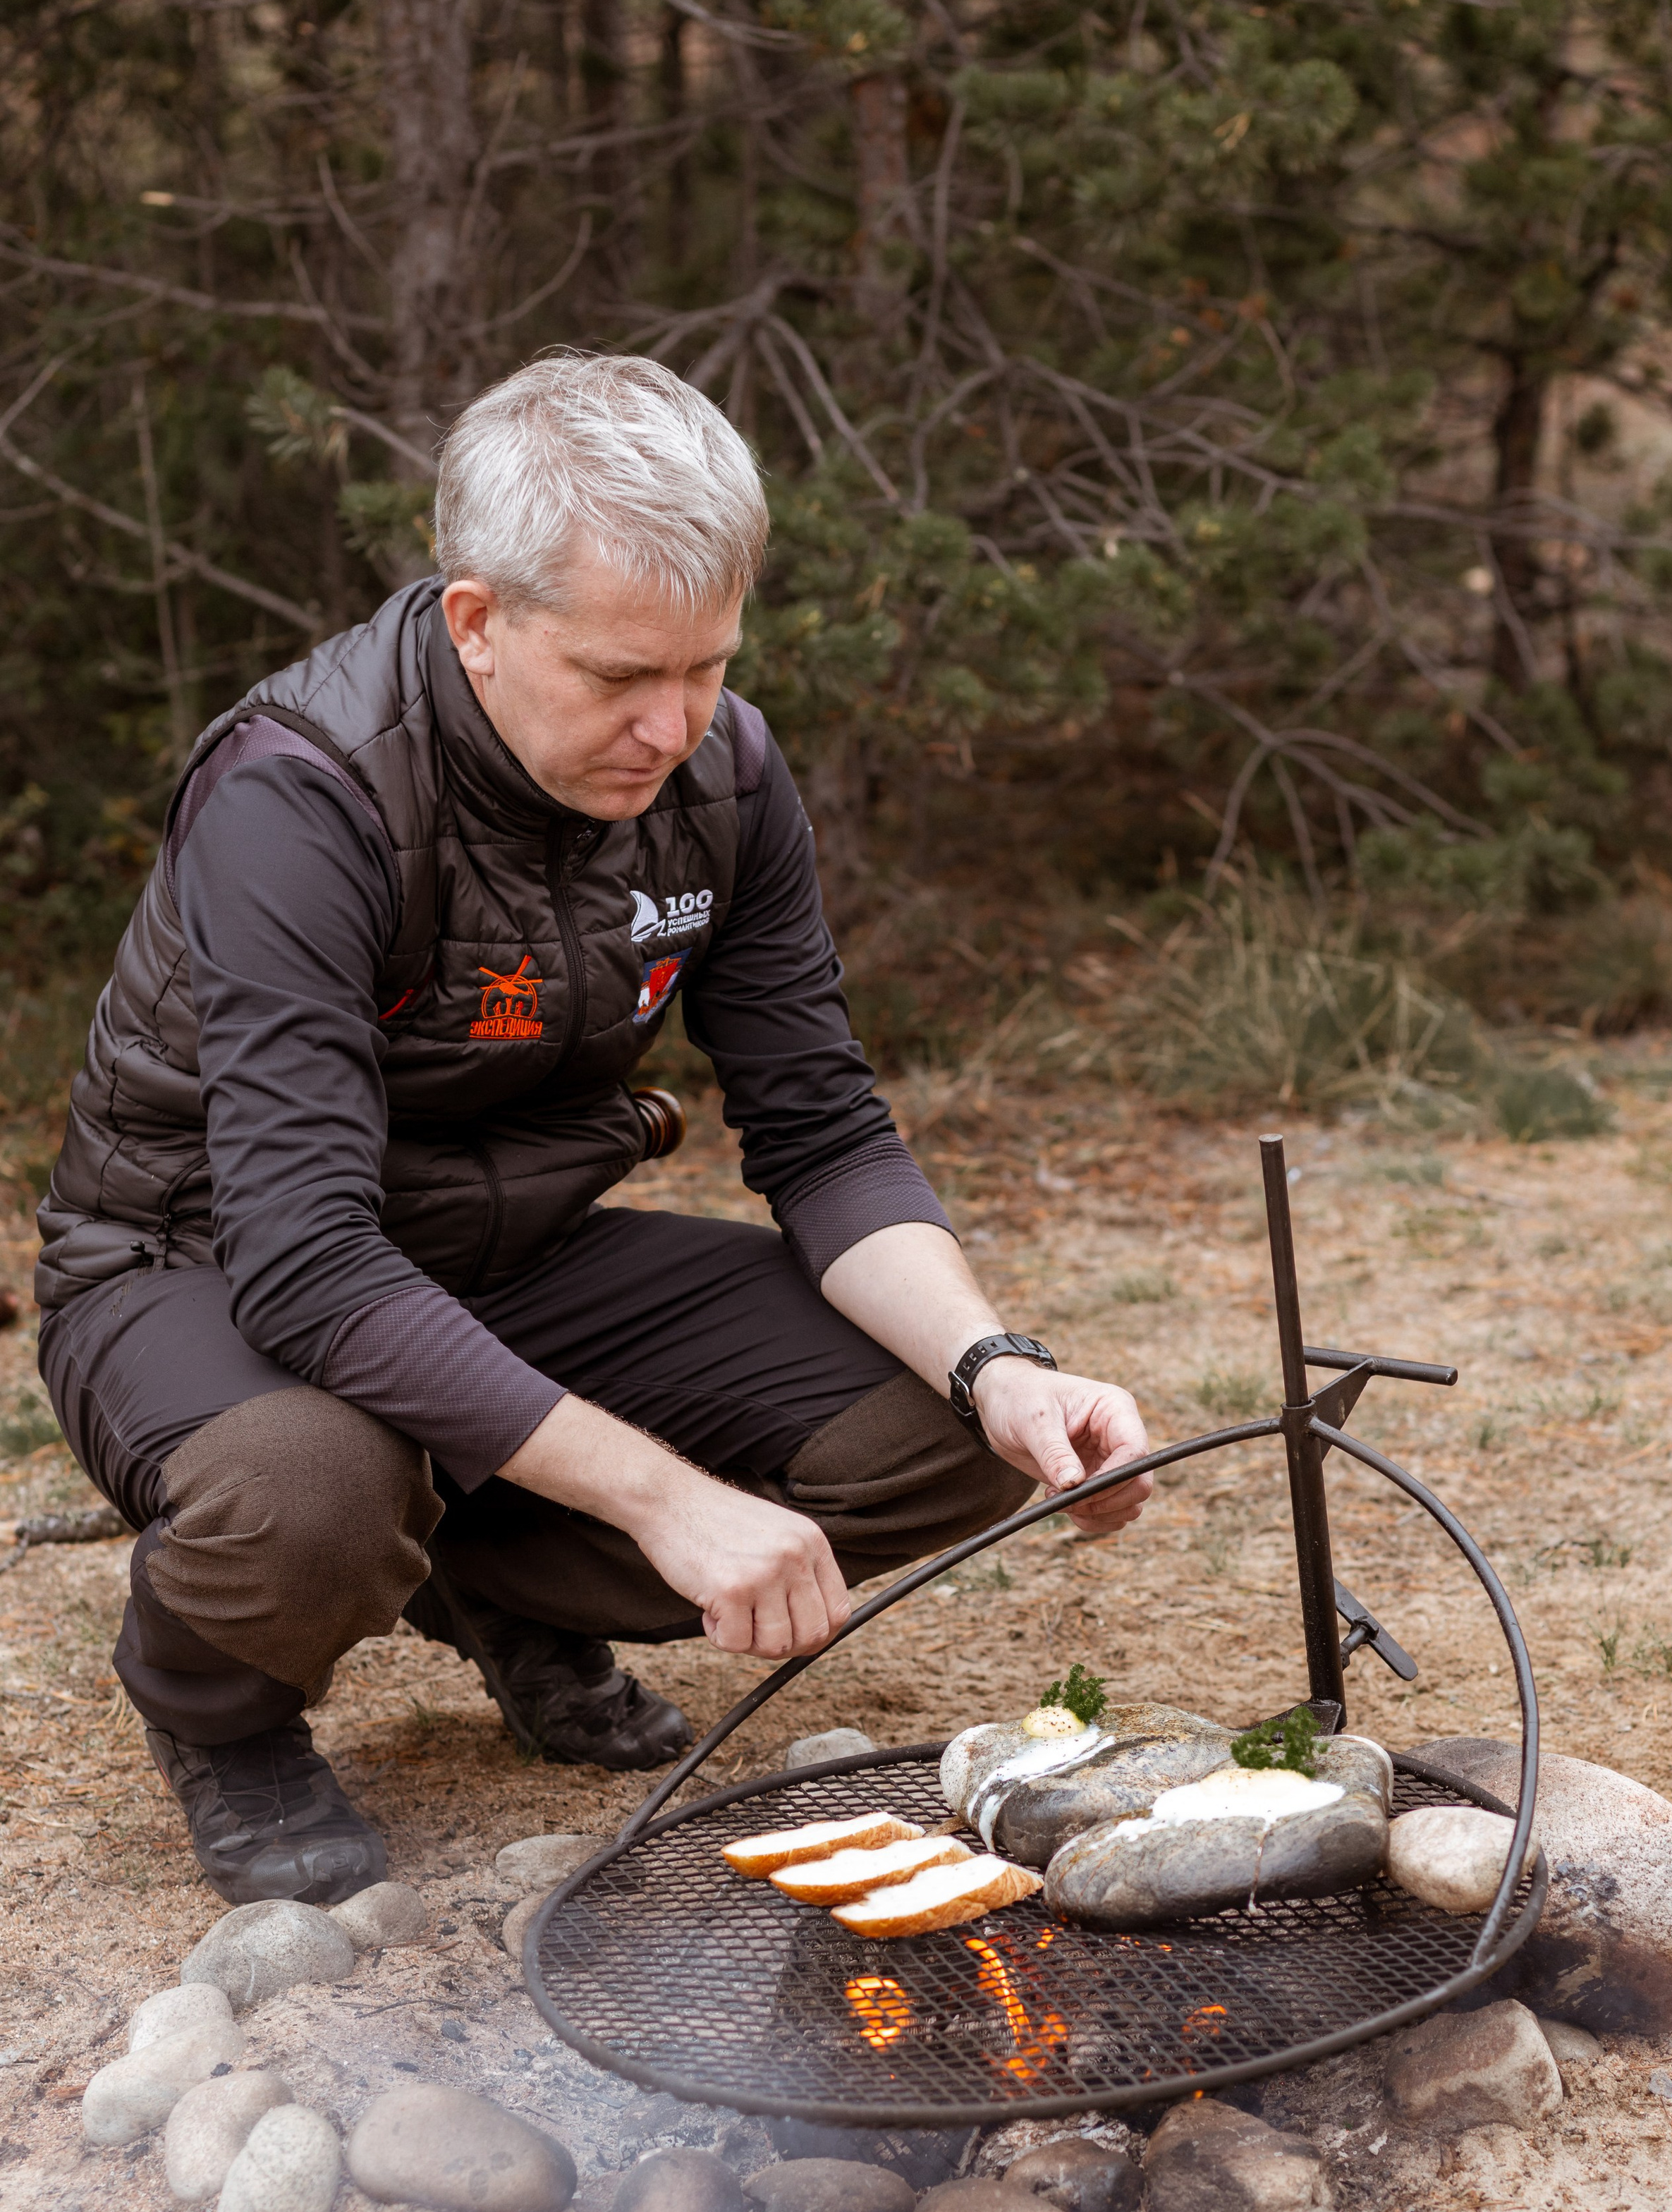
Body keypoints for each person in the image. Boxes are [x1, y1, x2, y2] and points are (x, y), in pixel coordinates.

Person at [34, 353, 1152, 1907]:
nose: (671, 725)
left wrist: (995, 1363)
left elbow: (819, 1130)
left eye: (705, 669)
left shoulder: (726, 779)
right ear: (477, 619)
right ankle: (221, 1704)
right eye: (621, 678)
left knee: (930, 1434)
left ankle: (487, 1587)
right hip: (205, 1267)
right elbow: (304, 1263)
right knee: (314, 1493)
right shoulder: (302, 797)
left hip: (507, 1251)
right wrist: (668, 1502)